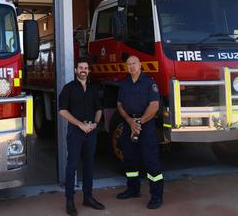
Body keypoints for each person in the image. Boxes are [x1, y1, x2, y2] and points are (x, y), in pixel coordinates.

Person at [115, 55, 163, 209]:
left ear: (140, 65)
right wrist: (130, 121)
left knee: (151, 161)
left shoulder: (149, 82)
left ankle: (156, 196)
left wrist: (139, 122)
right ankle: (133, 189)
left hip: (146, 126)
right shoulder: (124, 84)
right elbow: (120, 105)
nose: (131, 66)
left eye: (134, 63)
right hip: (129, 124)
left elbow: (154, 106)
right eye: (129, 64)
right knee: (129, 159)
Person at [58, 58, 105, 216]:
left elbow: (99, 109)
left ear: (89, 71)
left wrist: (95, 124)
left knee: (89, 165)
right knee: (72, 165)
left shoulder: (93, 89)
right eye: (80, 67)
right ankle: (69, 201)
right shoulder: (68, 88)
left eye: (86, 67)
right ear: (76, 70)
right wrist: (80, 124)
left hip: (91, 131)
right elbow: (62, 111)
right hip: (76, 132)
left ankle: (88, 197)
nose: (83, 70)